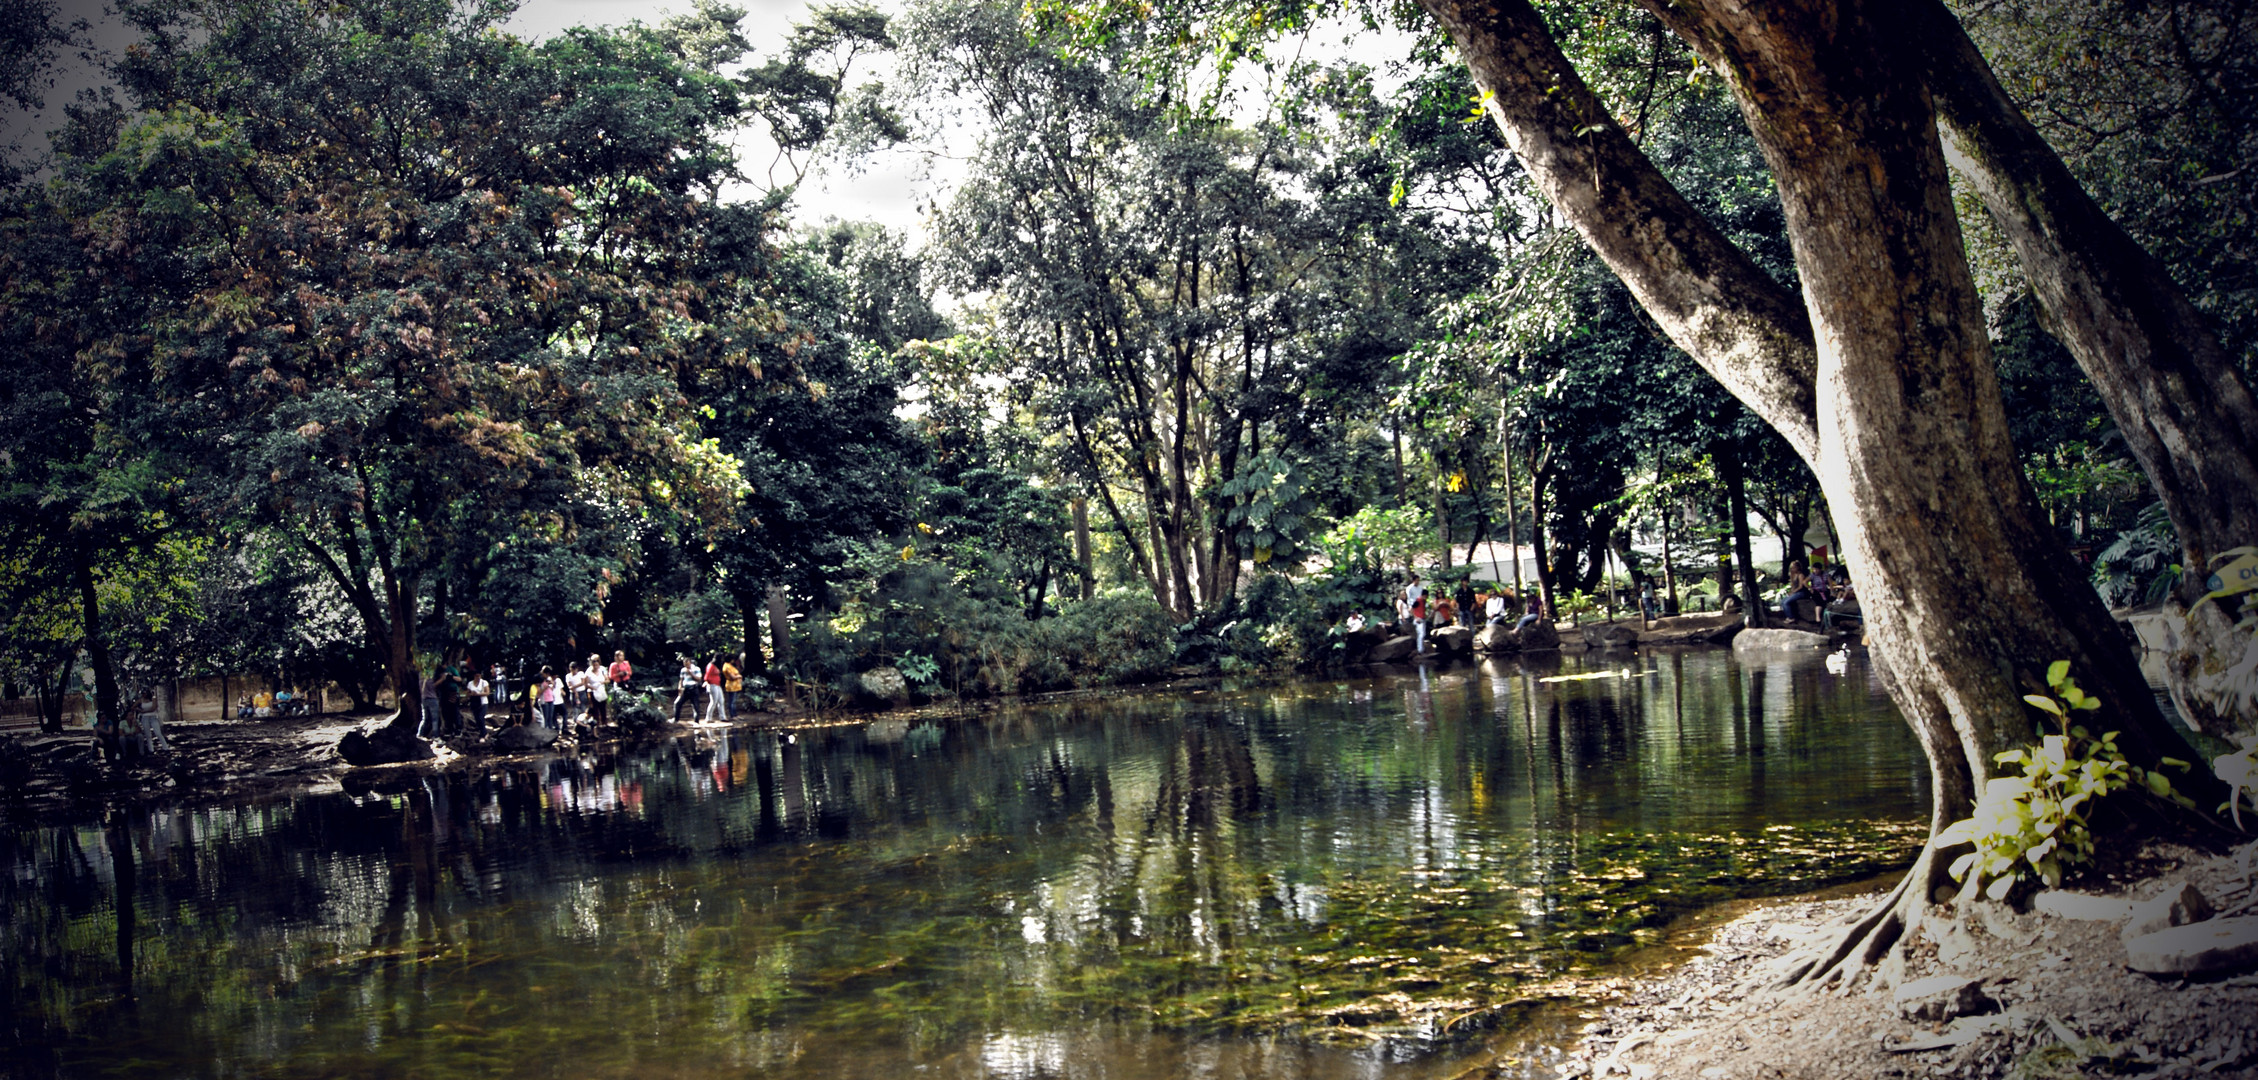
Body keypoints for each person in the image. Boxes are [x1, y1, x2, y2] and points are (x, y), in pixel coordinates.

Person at [1404, 573, 1427, 654]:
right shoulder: (1409, 588)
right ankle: (1420, 649)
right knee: (1420, 633)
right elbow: (1409, 599)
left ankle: (1421, 648)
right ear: (1413, 581)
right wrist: (1411, 608)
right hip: (1414, 606)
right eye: (1416, 580)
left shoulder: (1420, 588)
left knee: (1422, 633)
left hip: (1420, 606)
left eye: (1418, 580)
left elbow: (1423, 598)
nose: (1417, 582)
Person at [673, 656, 701, 721]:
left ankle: (696, 720)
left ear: (690, 663)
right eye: (685, 665)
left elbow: (698, 679)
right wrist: (679, 686)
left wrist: (691, 673)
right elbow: (681, 679)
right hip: (685, 689)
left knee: (695, 706)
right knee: (677, 703)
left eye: (687, 664)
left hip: (694, 689)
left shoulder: (696, 669)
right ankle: (676, 719)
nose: (686, 666)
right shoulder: (683, 670)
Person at [587, 653, 610, 727]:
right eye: (593, 660)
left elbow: (607, 680)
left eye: (597, 660)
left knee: (603, 708)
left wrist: (602, 682)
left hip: (601, 691)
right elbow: (585, 683)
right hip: (592, 692)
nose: (595, 662)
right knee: (594, 708)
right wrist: (592, 687)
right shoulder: (589, 670)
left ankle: (604, 723)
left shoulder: (602, 669)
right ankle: (596, 724)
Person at [466, 668, 491, 734]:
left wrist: (478, 694)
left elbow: (487, 692)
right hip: (475, 703)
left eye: (479, 676)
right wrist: (472, 694)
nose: (478, 678)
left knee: (481, 717)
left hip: (483, 702)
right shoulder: (470, 683)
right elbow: (467, 693)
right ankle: (481, 731)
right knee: (477, 718)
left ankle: (484, 733)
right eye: (477, 676)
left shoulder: (484, 682)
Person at [703, 656, 727, 722]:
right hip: (712, 685)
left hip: (717, 685)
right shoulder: (711, 666)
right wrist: (708, 682)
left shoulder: (715, 666)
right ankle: (708, 718)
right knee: (713, 701)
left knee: (721, 700)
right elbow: (707, 676)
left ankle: (723, 717)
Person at [538, 665, 561, 730]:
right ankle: (545, 731)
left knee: (551, 717)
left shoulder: (548, 679)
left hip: (551, 699)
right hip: (544, 700)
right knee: (546, 717)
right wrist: (545, 687)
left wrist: (551, 683)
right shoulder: (539, 680)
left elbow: (553, 687)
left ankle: (550, 730)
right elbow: (538, 692)